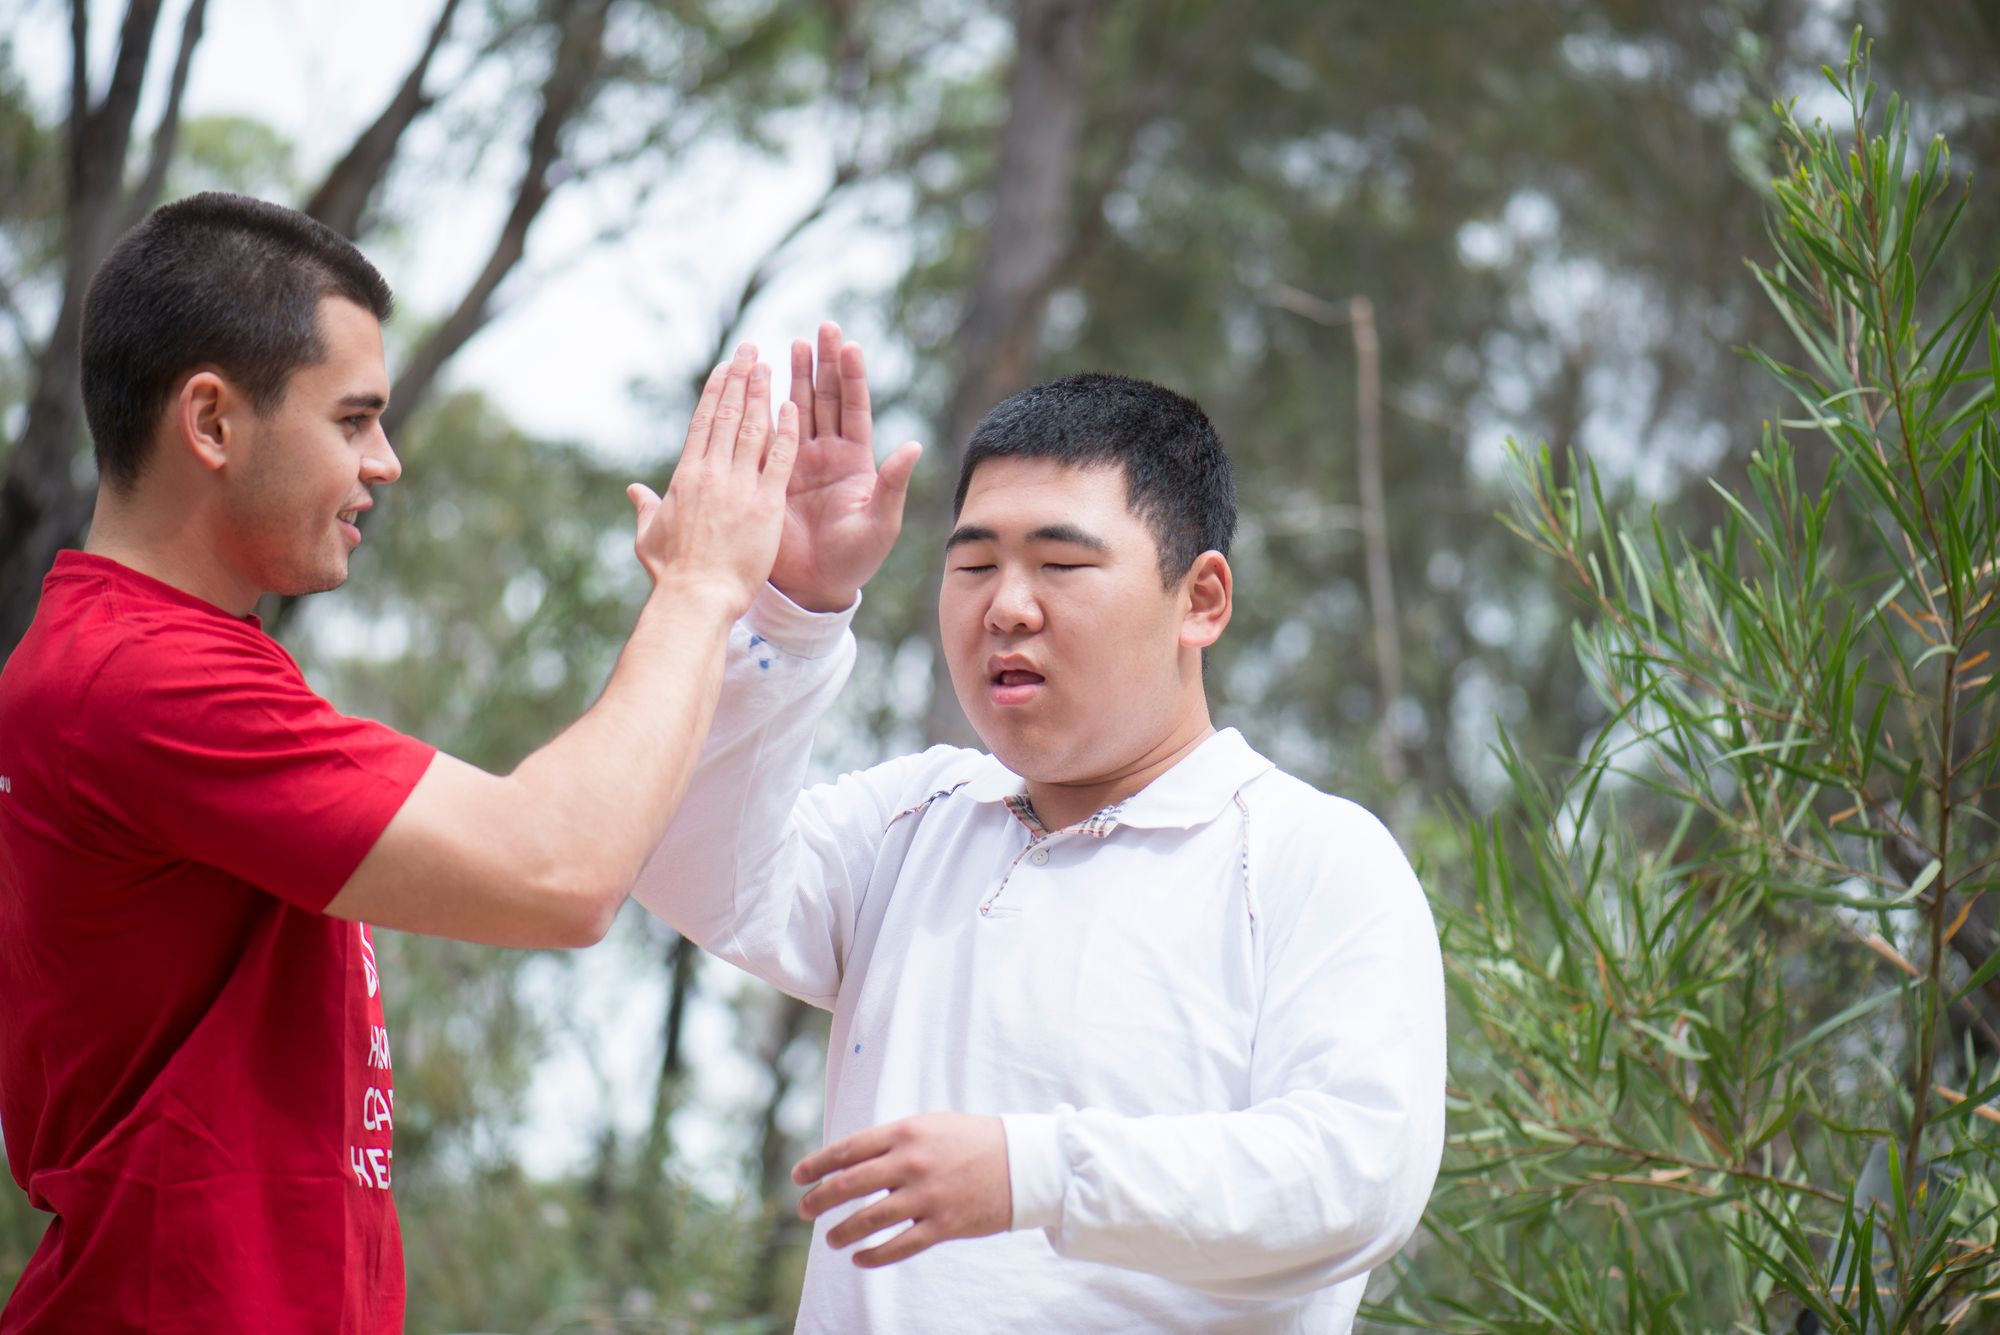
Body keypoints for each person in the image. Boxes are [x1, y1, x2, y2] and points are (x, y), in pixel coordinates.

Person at [0, 191, 860, 1333]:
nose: (386, 462)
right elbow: (558, 870)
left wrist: (781, 610)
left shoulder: (164, 663)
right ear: (210, 422)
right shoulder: (143, 681)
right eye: (352, 419)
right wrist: (704, 587)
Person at [633, 369, 1447, 1332]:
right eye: (974, 566)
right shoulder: (916, 815)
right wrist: (792, 610)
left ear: (1202, 599)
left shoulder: (1312, 858)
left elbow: (1355, 1177)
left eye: (1060, 564)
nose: (1006, 608)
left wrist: (1036, 1172)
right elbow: (689, 871)